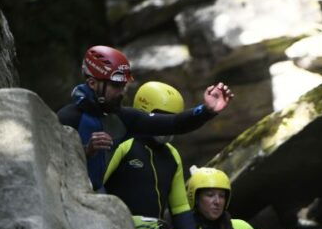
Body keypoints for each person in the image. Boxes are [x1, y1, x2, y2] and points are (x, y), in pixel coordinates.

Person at [57, 45, 233, 192]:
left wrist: (206, 110)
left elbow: (174, 123)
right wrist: (86, 151)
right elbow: (52, 166)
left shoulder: (124, 117)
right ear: (92, 84)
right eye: (116, 85)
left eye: (124, 86)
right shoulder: (68, 117)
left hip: (102, 205)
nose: (122, 92)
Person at [104, 81, 209, 229]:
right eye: (162, 117)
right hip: (115, 223)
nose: (167, 125)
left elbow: (180, 207)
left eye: (173, 119)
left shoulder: (172, 155)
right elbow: (96, 182)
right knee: (158, 227)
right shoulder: (125, 143)